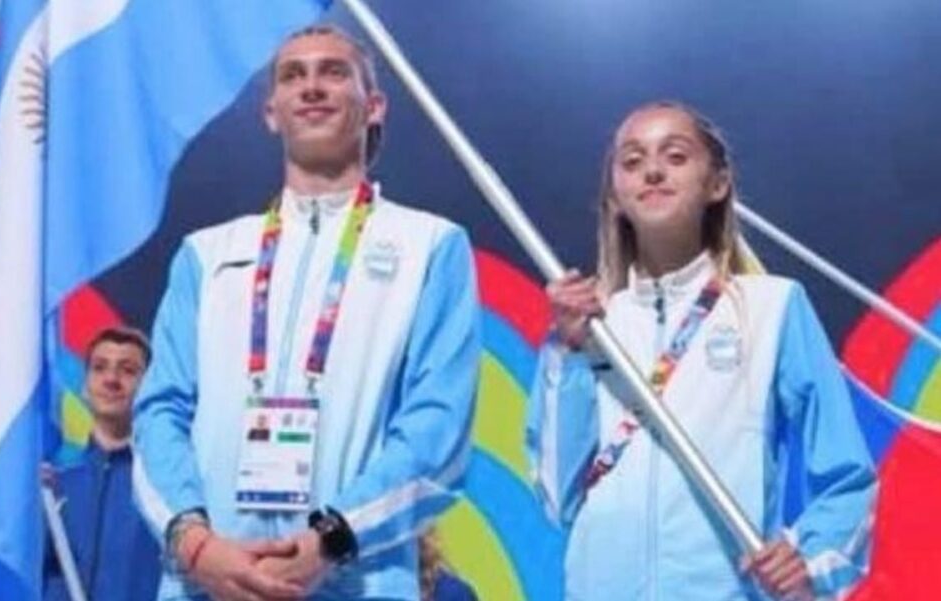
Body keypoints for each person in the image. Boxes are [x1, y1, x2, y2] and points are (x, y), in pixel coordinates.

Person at [132, 24, 480, 601]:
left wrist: (334, 539)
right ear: (271, 112)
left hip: (356, 581)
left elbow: (437, 430)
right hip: (211, 582)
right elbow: (160, 414)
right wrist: (196, 545)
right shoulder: (207, 253)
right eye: (293, 75)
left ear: (374, 106)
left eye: (333, 72)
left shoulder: (431, 247)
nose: (311, 87)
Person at [526, 101, 876, 600]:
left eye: (675, 156)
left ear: (717, 183)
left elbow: (848, 473)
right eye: (631, 161)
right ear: (616, 196)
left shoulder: (773, 307)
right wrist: (568, 351)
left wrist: (809, 556)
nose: (651, 170)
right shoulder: (592, 327)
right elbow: (558, 498)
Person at [43, 326, 161, 601]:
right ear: (84, 386)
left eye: (128, 370)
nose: (111, 379)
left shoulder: (164, 484)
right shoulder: (53, 483)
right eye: (99, 367)